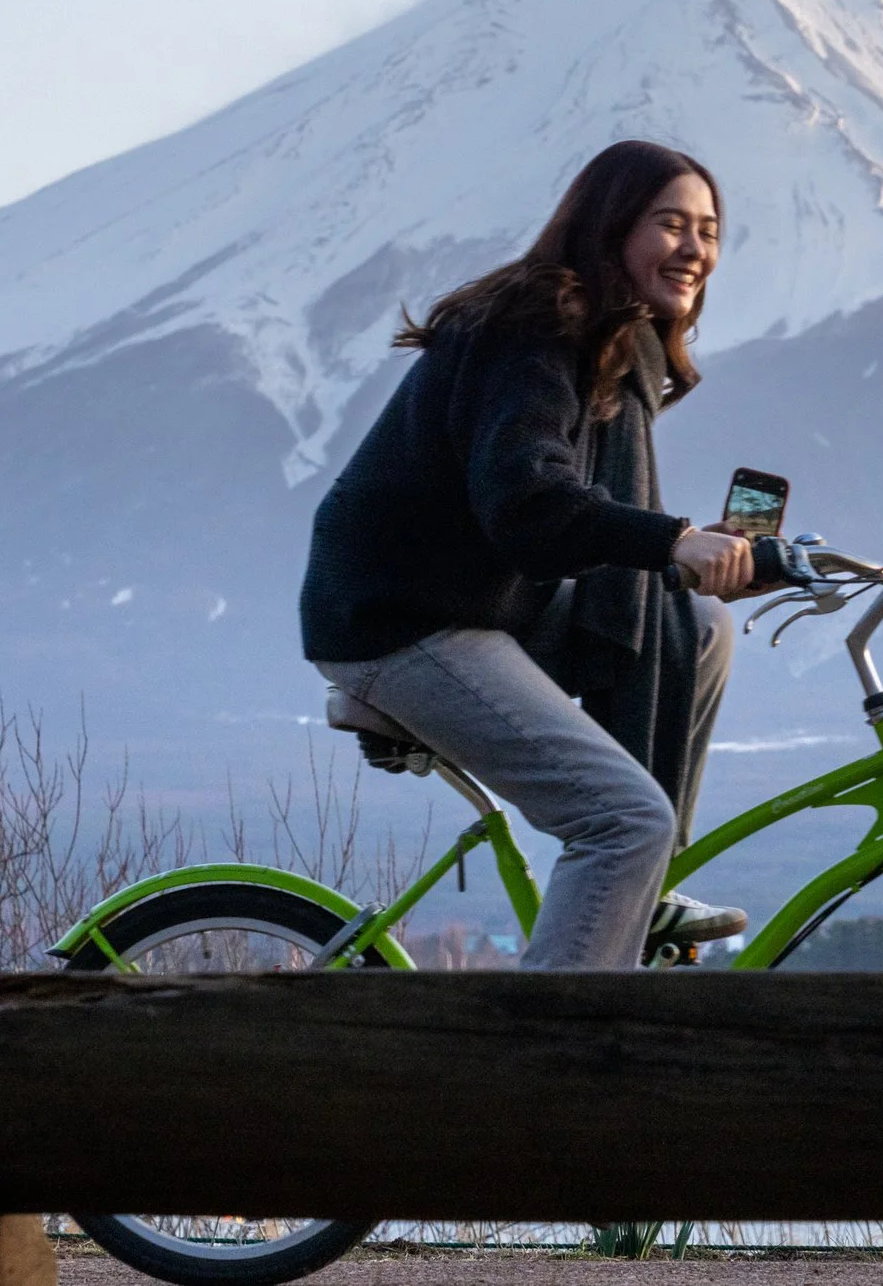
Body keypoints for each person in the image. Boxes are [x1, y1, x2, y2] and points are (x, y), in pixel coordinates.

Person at [299, 140, 756, 969]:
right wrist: (671, 539)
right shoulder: (535, 328)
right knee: (624, 820)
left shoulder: (618, 343)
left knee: (698, 622)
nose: (695, 249)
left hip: (489, 600)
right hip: (405, 617)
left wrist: (705, 560)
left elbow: (581, 529)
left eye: (710, 231)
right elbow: (530, 505)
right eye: (670, 224)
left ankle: (637, 898)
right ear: (610, 224)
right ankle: (546, 1059)